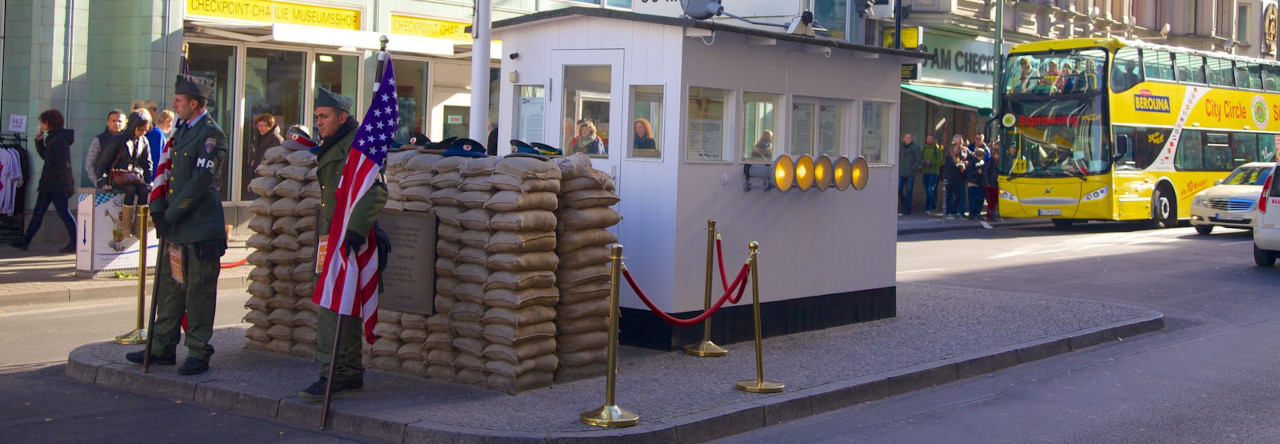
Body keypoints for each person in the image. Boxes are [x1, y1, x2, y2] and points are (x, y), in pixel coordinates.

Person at [124, 73, 228, 376]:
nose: (174, 105)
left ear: (194, 104)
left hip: (198, 229)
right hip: (177, 229)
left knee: (198, 292)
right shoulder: (180, 133)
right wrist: (157, 208)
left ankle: (198, 351)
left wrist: (169, 216)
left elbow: (199, 184)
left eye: (179, 101)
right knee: (170, 290)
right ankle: (161, 347)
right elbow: (166, 172)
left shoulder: (211, 136)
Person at [299, 87, 388, 400]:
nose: (319, 122)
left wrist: (354, 231)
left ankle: (332, 373)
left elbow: (376, 190)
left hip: (348, 236)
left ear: (342, 117)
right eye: (317, 117)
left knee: (331, 304)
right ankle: (349, 370)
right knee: (342, 303)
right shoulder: (333, 143)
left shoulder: (358, 146)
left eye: (324, 117)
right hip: (331, 235)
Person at [12, 109, 76, 252]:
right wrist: (39, 142)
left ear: (50, 123)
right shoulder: (54, 137)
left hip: (56, 184)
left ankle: (75, 242)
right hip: (50, 184)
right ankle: (25, 240)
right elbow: (46, 157)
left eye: (43, 122)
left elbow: (60, 163)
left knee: (63, 213)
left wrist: (52, 179)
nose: (41, 125)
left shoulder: (59, 139)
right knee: (39, 213)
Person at [95, 110, 153, 239]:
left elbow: (147, 163)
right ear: (133, 127)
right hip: (118, 177)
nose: (143, 133)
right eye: (140, 130)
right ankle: (126, 226)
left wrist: (149, 181)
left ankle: (139, 226)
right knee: (130, 190)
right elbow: (103, 162)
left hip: (133, 177)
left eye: (145, 130)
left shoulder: (143, 141)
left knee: (143, 191)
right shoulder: (118, 140)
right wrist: (103, 182)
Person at [84, 109, 126, 187]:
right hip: (105, 183)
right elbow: (90, 164)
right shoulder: (99, 140)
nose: (117, 124)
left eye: (120, 121)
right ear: (108, 123)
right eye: (113, 121)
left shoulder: (130, 140)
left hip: (126, 182)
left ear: (126, 123)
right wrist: (98, 182)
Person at [942, 135, 968, 220]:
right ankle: (949, 212)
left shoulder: (958, 155)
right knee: (950, 197)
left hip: (958, 179)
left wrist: (962, 163)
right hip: (950, 180)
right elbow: (952, 166)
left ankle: (954, 211)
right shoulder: (949, 156)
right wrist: (960, 165)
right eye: (956, 148)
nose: (958, 149)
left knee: (958, 196)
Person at [920, 134, 944, 214]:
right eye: (928, 138)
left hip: (933, 172)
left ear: (933, 140)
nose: (929, 140)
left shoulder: (937, 150)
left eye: (931, 139)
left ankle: (928, 208)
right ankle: (934, 205)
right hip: (925, 172)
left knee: (930, 190)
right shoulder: (924, 148)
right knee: (927, 190)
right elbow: (921, 158)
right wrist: (922, 162)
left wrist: (932, 162)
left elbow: (941, 161)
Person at [898, 133, 921, 215]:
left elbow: (919, 160)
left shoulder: (915, 148)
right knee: (898, 189)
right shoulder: (900, 147)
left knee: (909, 191)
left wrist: (913, 168)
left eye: (909, 138)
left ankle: (907, 209)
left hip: (910, 174)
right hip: (901, 172)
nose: (908, 139)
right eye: (906, 137)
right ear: (903, 138)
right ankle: (904, 203)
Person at [983, 142, 1002, 221]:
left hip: (995, 183)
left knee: (995, 200)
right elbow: (986, 172)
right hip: (991, 183)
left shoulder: (997, 162)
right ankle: (989, 215)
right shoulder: (991, 161)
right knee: (992, 200)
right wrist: (988, 183)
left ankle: (993, 214)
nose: (998, 156)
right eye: (996, 154)